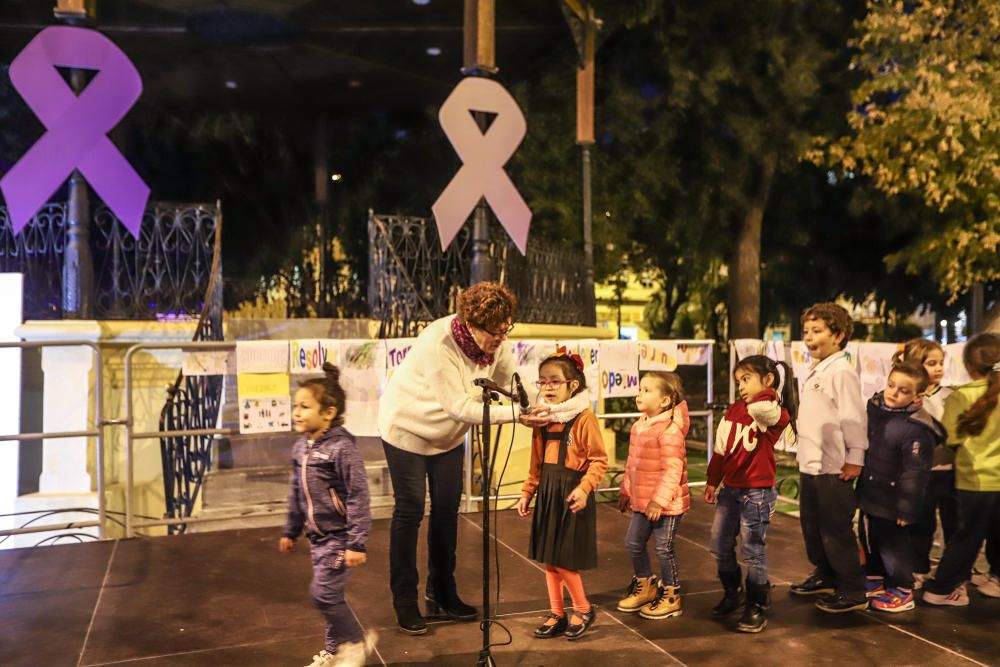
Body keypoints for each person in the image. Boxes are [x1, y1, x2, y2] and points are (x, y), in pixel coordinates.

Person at [377, 281, 529, 634]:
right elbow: (458, 406)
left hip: (446, 437)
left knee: (447, 510)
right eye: (496, 331)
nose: (502, 338)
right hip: (407, 429)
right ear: (472, 325)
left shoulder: (495, 345)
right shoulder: (437, 341)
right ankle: (404, 601)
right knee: (410, 510)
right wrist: (517, 415)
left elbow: (514, 383)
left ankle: (442, 591)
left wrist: (538, 404)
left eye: (508, 329)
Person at [280, 363, 376, 667]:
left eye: (305, 407)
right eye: (295, 406)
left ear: (328, 412)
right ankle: (335, 652)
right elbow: (297, 492)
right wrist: (290, 530)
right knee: (331, 596)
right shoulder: (300, 447)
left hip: (340, 537)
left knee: (323, 594)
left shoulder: (341, 449)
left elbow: (359, 495)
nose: (296, 412)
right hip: (317, 538)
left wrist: (356, 543)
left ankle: (357, 643)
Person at [517, 350, 608, 640]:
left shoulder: (583, 419)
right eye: (543, 382)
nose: (548, 387)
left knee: (564, 559)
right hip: (548, 492)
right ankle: (557, 612)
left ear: (573, 385)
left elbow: (599, 460)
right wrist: (528, 492)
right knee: (548, 558)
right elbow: (536, 463)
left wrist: (584, 489)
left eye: (555, 381)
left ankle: (582, 607)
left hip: (572, 494)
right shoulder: (541, 420)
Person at [705, 355, 797, 633]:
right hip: (730, 490)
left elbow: (763, 410)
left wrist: (770, 387)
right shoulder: (735, 410)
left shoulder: (773, 411)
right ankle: (733, 593)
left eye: (746, 379)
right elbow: (720, 449)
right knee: (719, 544)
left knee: (752, 550)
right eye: (738, 382)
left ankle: (757, 604)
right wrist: (712, 481)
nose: (741, 387)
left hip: (757, 493)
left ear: (767, 380)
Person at [789, 302, 869, 612]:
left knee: (835, 530)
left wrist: (856, 457)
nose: (809, 338)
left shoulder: (841, 371)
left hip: (833, 467)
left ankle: (852, 589)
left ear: (838, 335)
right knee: (811, 525)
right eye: (806, 331)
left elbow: (852, 418)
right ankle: (825, 574)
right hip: (811, 464)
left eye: (817, 331)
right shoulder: (817, 370)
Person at [858, 362, 943, 613]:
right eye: (891, 385)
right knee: (870, 539)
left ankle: (903, 590)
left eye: (903, 391)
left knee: (893, 546)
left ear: (918, 396)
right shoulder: (878, 410)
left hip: (894, 500)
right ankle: (875, 578)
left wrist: (906, 508)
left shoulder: (917, 429)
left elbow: (915, 473)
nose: (893, 393)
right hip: (872, 492)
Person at [923, 333, 1000, 606]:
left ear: (968, 365)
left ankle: (941, 587)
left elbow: (950, 439)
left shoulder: (960, 397)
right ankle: (996, 580)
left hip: (973, 481)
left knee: (967, 537)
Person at [615, 372, 690, 621]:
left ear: (665, 401)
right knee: (633, 543)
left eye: (647, 390)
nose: (640, 393)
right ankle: (646, 585)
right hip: (642, 501)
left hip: (665, 504)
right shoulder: (640, 425)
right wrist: (627, 489)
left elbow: (673, 469)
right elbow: (632, 464)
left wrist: (659, 500)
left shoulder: (669, 430)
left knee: (664, 548)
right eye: (640, 388)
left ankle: (671, 595)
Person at [894, 339, 957, 585]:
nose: (939, 368)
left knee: (953, 524)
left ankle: (953, 575)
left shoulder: (951, 395)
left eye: (941, 363)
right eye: (932, 363)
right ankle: (918, 567)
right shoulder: (908, 398)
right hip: (922, 474)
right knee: (921, 524)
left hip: (951, 471)